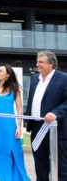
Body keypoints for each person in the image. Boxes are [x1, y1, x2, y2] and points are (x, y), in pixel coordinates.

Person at [0, 64, 30, 181]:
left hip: (9, 125)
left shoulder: (15, 89)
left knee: (11, 149)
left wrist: (19, 126)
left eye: (0, 71)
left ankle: (11, 177)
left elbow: (19, 109)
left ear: (7, 75)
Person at [26, 50, 67, 181]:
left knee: (60, 165)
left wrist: (55, 113)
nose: (37, 64)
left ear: (51, 64)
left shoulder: (63, 78)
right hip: (37, 126)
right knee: (40, 163)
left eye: (41, 62)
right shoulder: (34, 79)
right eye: (37, 61)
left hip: (57, 128)